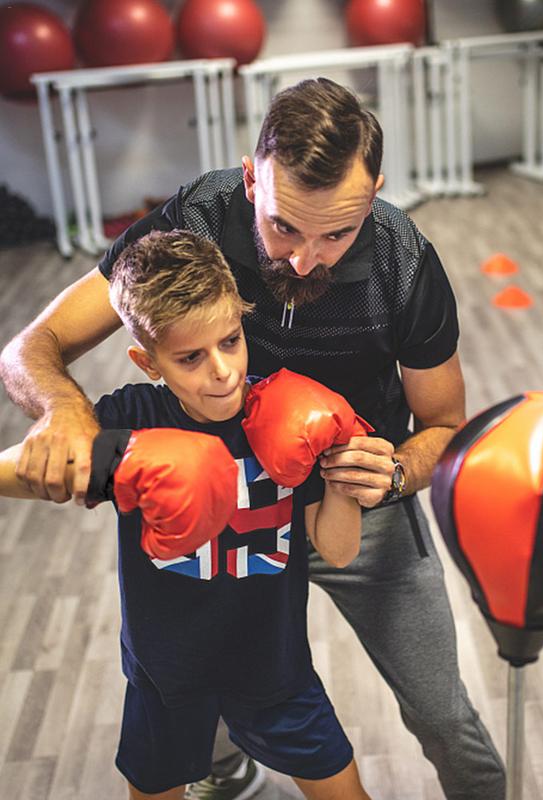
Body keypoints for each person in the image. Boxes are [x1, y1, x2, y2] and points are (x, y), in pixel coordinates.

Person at [0, 78, 506, 799]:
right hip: (224, 503)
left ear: (376, 193)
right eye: (283, 228)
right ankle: (225, 764)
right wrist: (69, 416)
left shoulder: (403, 260)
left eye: (337, 232)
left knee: (442, 713)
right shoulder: (196, 222)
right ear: (249, 179)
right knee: (190, 659)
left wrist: (389, 472)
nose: (306, 260)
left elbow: (447, 429)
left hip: (350, 497)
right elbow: (34, 344)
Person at [0, 229, 373, 799]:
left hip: (275, 669)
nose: (221, 371)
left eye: (230, 341)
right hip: (167, 676)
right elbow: (24, 469)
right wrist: (92, 453)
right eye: (190, 357)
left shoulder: (287, 415)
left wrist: (342, 469)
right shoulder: (131, 422)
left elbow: (340, 551)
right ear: (147, 361)